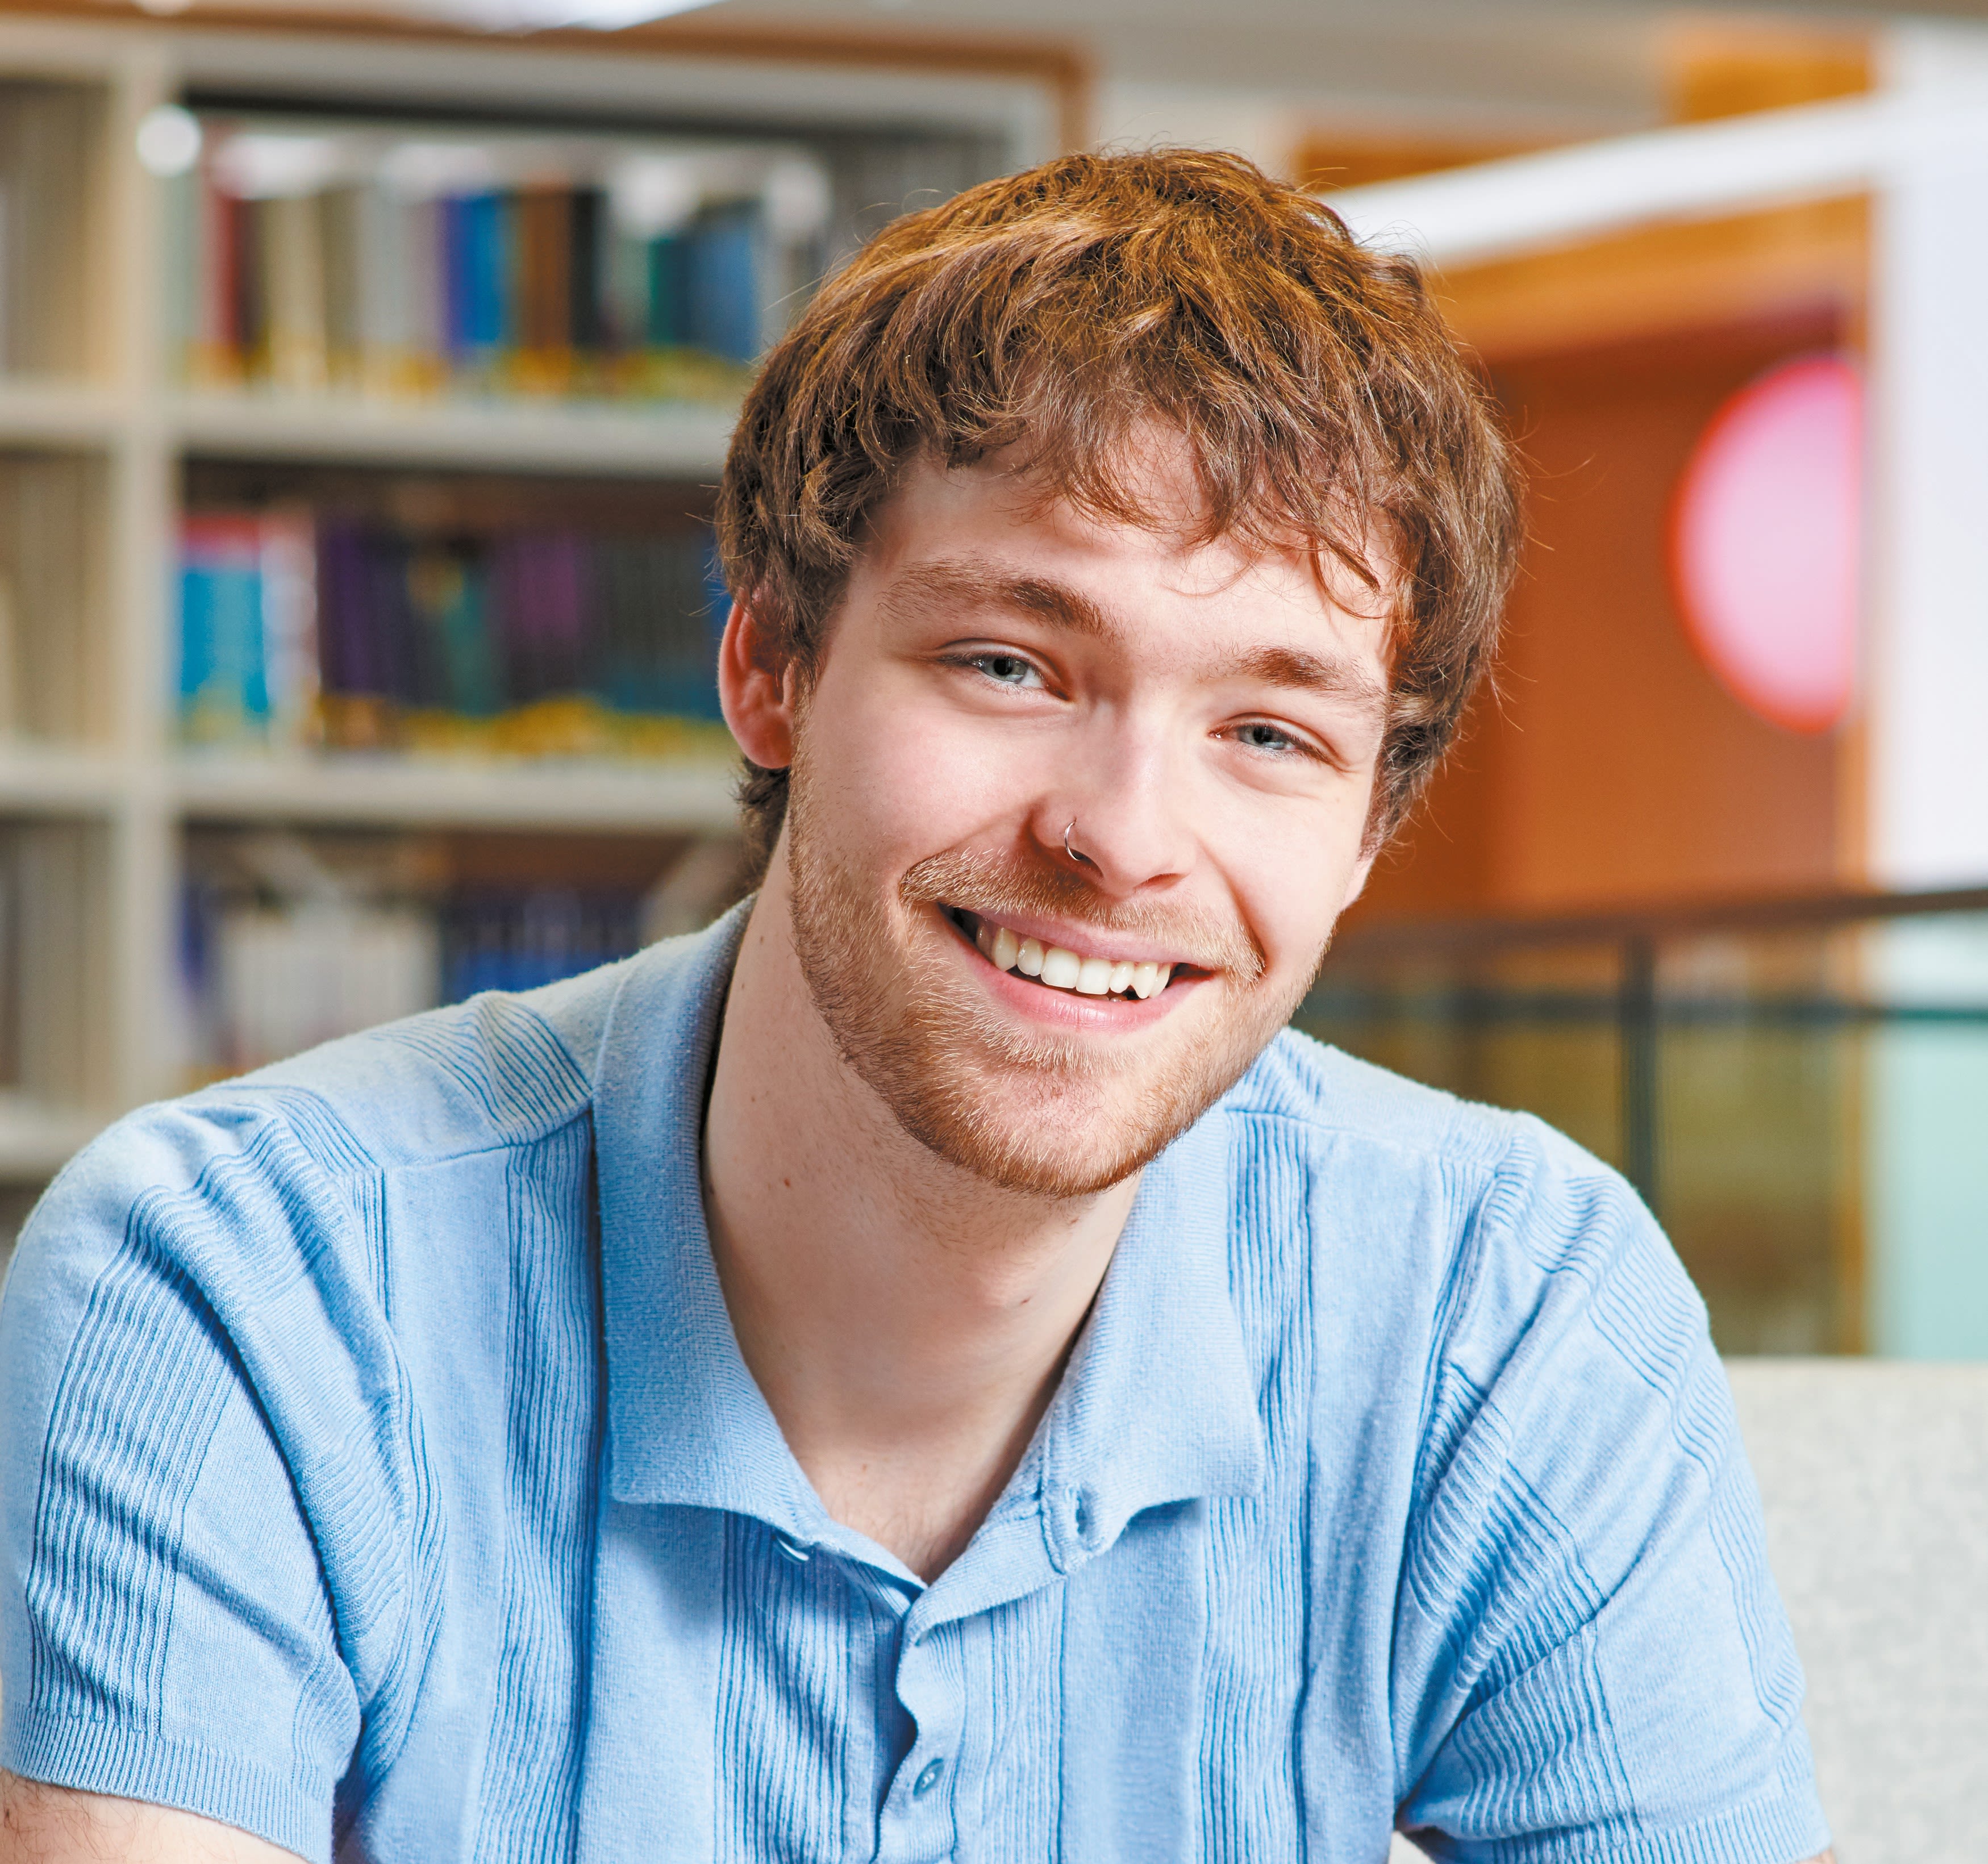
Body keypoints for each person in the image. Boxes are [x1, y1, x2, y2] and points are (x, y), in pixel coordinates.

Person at [0, 149, 1833, 1864]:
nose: (1122, 838)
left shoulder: (1501, 1311)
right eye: (1009, 662)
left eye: (1269, 732)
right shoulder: (249, 1285)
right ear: (770, 667)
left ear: (1367, 831)